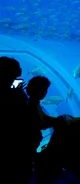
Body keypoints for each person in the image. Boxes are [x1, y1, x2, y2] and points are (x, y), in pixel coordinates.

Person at [24, 75, 59, 182]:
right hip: (26, 146)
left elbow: (43, 118)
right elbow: (40, 123)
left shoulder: (34, 103)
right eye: (44, 90)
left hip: (30, 146)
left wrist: (57, 120)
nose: (45, 93)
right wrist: (57, 121)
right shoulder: (31, 105)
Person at [0, 56, 29, 184]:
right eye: (17, 70)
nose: (19, 73)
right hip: (12, 146)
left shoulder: (14, 91)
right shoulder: (15, 93)